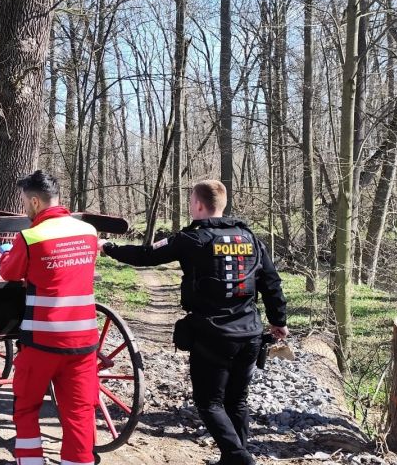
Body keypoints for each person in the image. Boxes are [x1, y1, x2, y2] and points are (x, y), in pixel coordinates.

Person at [98, 180, 288, 465]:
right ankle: (232, 459)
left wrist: (109, 247)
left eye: (190, 201)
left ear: (198, 204)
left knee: (209, 403)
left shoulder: (192, 238)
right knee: (236, 401)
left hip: (213, 336)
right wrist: (278, 321)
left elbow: (146, 256)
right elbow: (271, 282)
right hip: (250, 333)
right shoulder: (250, 238)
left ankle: (240, 458)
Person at [0, 170, 99, 465]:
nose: (24, 209)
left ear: (35, 202)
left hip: (42, 340)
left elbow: (10, 273)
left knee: (26, 407)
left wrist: (7, 253)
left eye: (24, 202)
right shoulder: (89, 231)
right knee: (79, 411)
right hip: (83, 341)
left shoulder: (31, 236)